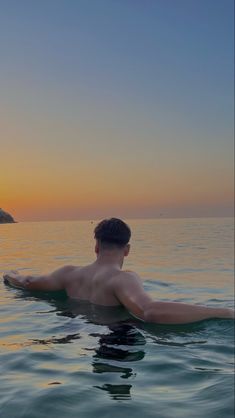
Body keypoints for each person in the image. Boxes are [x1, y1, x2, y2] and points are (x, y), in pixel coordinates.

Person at [3, 218, 234, 324]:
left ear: (96, 246)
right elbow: (150, 312)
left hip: (76, 333)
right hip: (115, 340)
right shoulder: (124, 279)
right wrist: (223, 311)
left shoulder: (68, 273)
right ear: (127, 250)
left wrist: (10, 274)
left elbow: (28, 283)